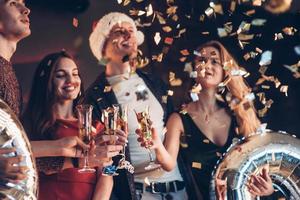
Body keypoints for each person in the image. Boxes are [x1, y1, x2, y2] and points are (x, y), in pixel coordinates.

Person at [140, 41, 275, 199]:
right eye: (201, 60)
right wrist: (156, 144)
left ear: (225, 70)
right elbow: (168, 163)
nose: (207, 65)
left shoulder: (240, 114)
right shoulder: (178, 119)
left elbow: (262, 167)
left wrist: (268, 190)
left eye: (214, 61)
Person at [84, 12, 187, 200]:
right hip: (138, 193)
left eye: (131, 30)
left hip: (178, 190)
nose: (128, 35)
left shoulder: (155, 83)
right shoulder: (95, 97)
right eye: (119, 31)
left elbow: (175, 130)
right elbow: (99, 162)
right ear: (103, 44)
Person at [0, 0, 95, 184]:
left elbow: (14, 148)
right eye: (13, 3)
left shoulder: (7, 70)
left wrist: (66, 152)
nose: (26, 9)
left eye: (24, 3)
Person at [22, 50, 126, 200]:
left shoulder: (96, 127)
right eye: (60, 75)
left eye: (75, 73)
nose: (71, 80)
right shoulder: (30, 124)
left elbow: (108, 170)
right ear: (46, 82)